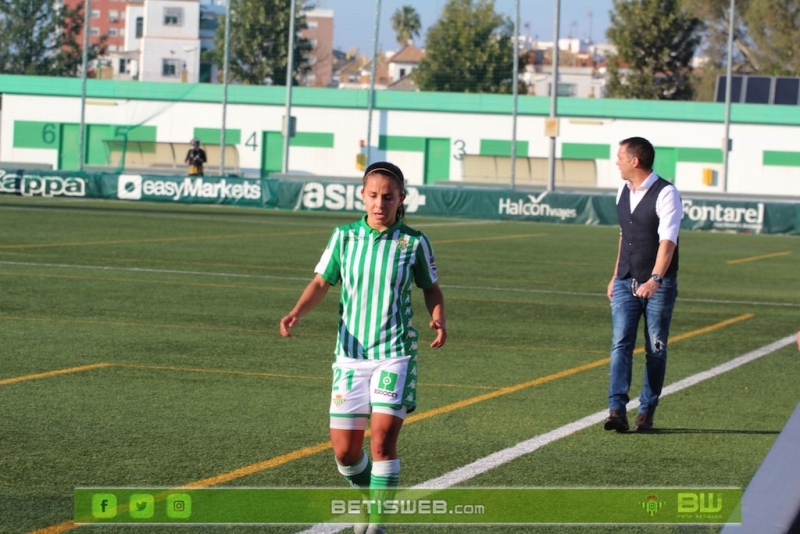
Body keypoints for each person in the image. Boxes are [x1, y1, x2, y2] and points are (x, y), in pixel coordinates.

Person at [279, 161, 447, 533]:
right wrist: (296, 312)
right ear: (362, 196)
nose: (380, 204)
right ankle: (367, 500)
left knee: (383, 441)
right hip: (350, 358)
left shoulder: (413, 242)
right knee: (344, 453)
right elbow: (323, 282)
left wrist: (438, 317)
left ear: (402, 199)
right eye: (373, 196)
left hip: (395, 353)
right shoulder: (343, 237)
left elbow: (430, 287)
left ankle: (376, 524)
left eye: (388, 197)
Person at [604, 137, 682, 433]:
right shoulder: (623, 190)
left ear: (634, 161)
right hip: (626, 280)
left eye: (620, 157)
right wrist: (615, 275)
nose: (617, 162)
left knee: (655, 348)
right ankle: (616, 409)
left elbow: (668, 241)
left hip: (658, 284)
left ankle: (647, 411)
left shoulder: (666, 193)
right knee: (620, 343)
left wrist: (656, 279)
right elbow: (625, 236)